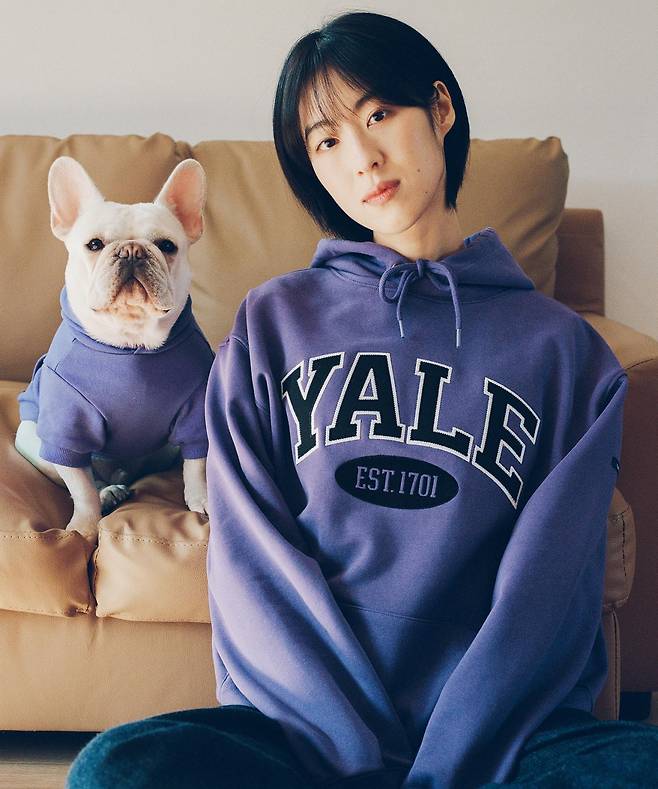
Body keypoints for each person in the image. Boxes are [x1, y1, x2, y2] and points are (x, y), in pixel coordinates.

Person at [66, 10, 658, 789]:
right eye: (327, 141)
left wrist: (450, 764)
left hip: (503, 744)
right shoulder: (273, 322)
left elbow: (550, 594)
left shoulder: (566, 353)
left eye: (380, 114)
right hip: (304, 736)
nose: (363, 157)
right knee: (119, 769)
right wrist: (340, 754)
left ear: (440, 110)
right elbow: (252, 560)